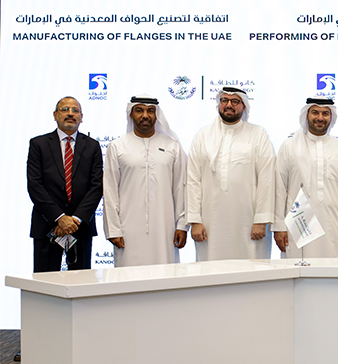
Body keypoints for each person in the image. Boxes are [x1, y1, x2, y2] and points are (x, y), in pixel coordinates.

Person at [186, 87, 275, 260]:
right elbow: (193, 180)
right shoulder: (202, 135)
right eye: (224, 100)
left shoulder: (258, 134)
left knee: (250, 267)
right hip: (209, 222)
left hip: (248, 221)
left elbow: (267, 179)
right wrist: (195, 221)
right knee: (211, 267)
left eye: (235, 101)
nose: (229, 105)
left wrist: (261, 220)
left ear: (244, 106)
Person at [103, 95, 188, 267]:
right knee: (128, 276)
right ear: (131, 114)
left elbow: (181, 188)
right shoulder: (117, 146)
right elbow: (110, 190)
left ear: (157, 115)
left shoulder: (172, 146)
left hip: (165, 228)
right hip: (127, 229)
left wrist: (182, 225)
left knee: (164, 274)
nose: (145, 115)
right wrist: (113, 229)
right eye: (139, 110)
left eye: (150, 111)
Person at [27, 96, 103, 272]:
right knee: (45, 282)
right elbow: (35, 185)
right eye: (65, 109)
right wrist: (60, 218)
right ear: (55, 115)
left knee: (81, 283)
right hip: (47, 225)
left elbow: (96, 186)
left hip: (80, 227)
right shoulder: (38, 144)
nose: (70, 114)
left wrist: (74, 220)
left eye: (75, 110)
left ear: (81, 117)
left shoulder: (92, 146)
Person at [273, 98, 338, 257]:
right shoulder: (289, 146)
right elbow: (279, 189)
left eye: (325, 114)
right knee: (298, 266)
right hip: (297, 225)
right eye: (315, 113)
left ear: (331, 117)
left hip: (334, 224)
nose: (320, 118)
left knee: (332, 268)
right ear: (306, 115)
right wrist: (279, 226)